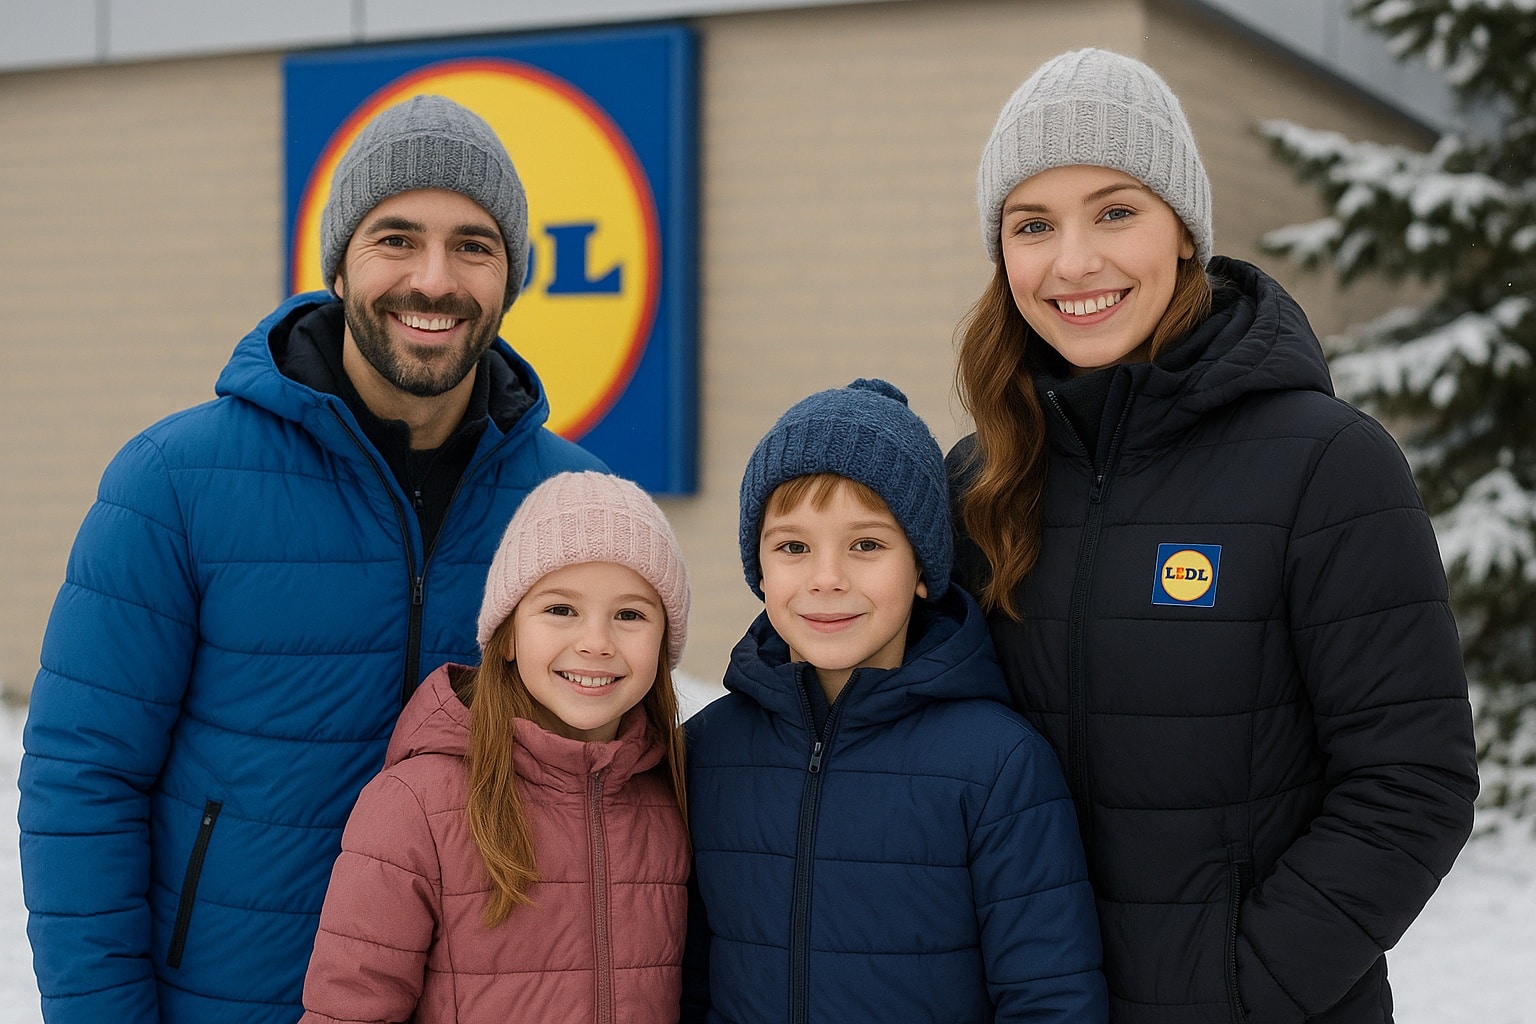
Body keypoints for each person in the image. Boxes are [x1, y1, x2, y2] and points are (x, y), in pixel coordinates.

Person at [19, 94, 605, 1024]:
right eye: (396, 238)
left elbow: (619, 797)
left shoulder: (574, 507)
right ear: (340, 262)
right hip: (235, 1001)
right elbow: (83, 778)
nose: (434, 279)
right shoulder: (174, 482)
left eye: (474, 246)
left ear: (511, 277)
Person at [948, 47, 1479, 1024]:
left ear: (1185, 232)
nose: (1073, 262)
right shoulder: (977, 484)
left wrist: (1237, 992)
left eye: (1115, 211)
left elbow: (1412, 784)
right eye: (1033, 224)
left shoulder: (1330, 467)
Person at [683, 378, 1107, 1023]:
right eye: (794, 546)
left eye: (867, 545)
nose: (828, 578)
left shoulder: (996, 763)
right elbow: (685, 980)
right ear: (759, 567)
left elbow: (1050, 997)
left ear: (922, 568)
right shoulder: (706, 749)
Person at [298, 470, 691, 1023]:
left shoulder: (675, 792)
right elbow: (350, 1010)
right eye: (561, 610)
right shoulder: (415, 806)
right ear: (507, 635)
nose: (596, 643)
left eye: (630, 614)